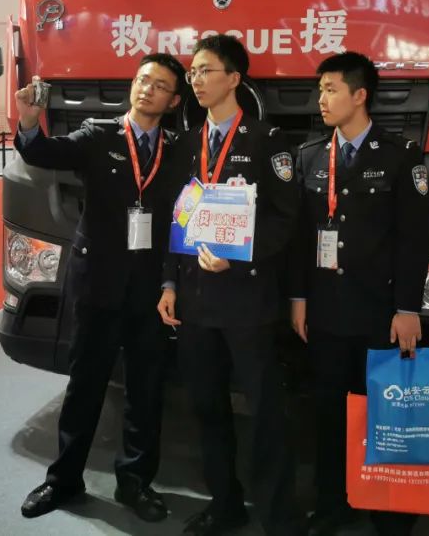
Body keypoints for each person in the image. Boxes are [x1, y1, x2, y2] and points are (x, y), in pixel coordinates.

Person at [14, 53, 186, 523]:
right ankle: (63, 480)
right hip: (98, 284)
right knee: (85, 385)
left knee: (146, 390)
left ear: (173, 101)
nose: (147, 89)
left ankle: (136, 483)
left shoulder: (177, 150)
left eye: (160, 85)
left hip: (151, 291)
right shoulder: (98, 135)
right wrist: (29, 122)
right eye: (143, 79)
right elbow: (43, 153)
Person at [157, 34, 302, 536]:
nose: (196, 80)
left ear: (235, 78)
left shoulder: (267, 142)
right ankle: (225, 504)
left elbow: (286, 221)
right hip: (195, 301)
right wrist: (169, 282)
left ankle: (279, 516)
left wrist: (239, 259)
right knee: (207, 407)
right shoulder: (186, 145)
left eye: (206, 71)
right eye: (192, 72)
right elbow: (176, 219)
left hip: (247, 301)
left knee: (265, 411)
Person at [289, 51, 429, 536]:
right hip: (326, 312)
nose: (322, 99)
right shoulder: (310, 155)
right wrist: (299, 298)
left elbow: (414, 239)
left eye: (331, 89)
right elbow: (301, 238)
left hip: (380, 312)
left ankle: (389, 511)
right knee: (328, 411)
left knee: (383, 412)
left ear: (360, 95)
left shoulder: (399, 154)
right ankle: (333, 502)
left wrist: (407, 307)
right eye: (320, 90)